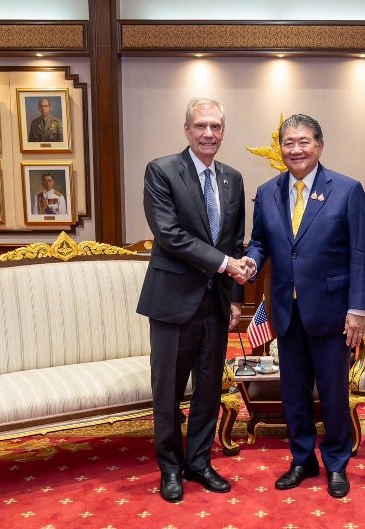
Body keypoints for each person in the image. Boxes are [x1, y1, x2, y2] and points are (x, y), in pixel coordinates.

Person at [245, 114, 365, 499]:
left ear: (319, 145)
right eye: (289, 142)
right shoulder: (267, 192)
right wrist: (251, 261)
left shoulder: (347, 190)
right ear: (280, 148)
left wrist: (358, 310)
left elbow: (360, 254)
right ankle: (302, 460)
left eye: (304, 142)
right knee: (294, 393)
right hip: (287, 311)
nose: (296, 149)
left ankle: (336, 462)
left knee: (333, 394)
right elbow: (260, 242)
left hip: (333, 312)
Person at [136, 97, 251, 504]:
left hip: (216, 303)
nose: (208, 133)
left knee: (208, 388)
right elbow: (169, 234)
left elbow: (235, 241)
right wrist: (225, 264)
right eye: (200, 126)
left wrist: (235, 298)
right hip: (173, 301)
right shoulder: (162, 171)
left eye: (215, 126)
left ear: (223, 132)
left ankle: (199, 462)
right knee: (168, 390)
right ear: (186, 130)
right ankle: (170, 467)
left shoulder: (233, 178)